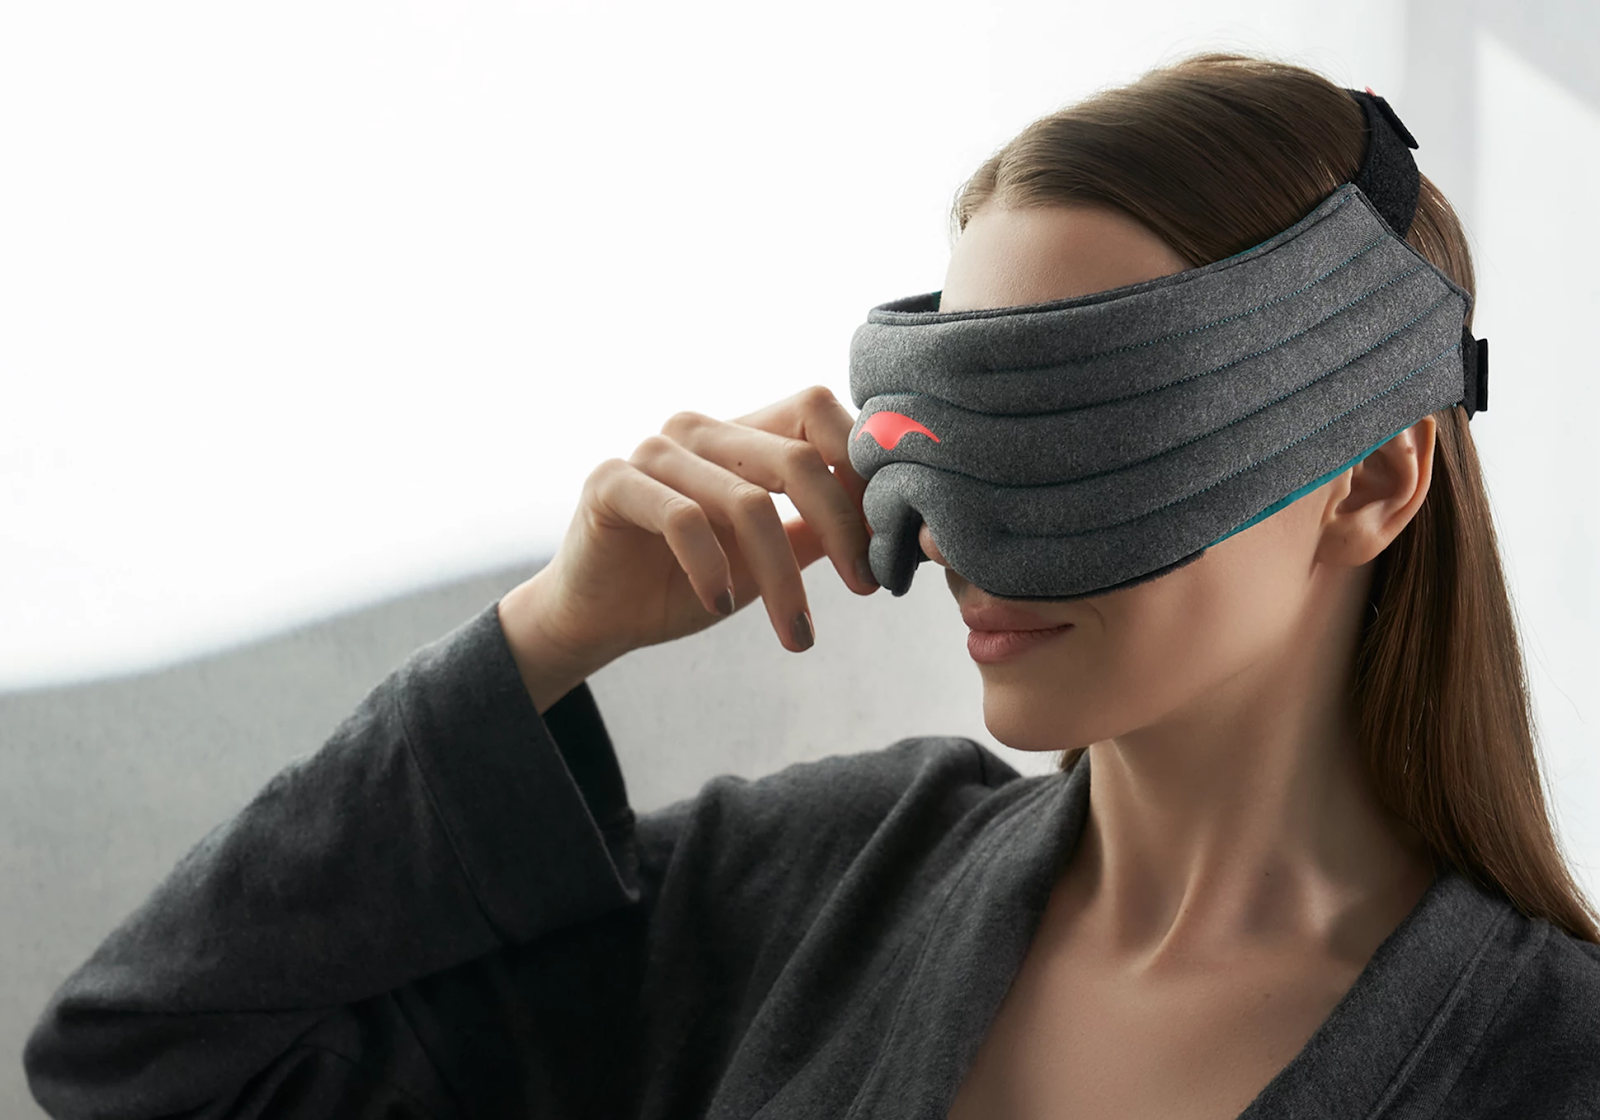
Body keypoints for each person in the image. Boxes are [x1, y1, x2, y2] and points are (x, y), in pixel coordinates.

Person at [23, 52, 1599, 1120]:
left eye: (1076, 431)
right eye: (947, 424)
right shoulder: (810, 893)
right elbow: (145, 1056)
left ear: (1379, 477)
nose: (963, 531)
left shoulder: (1554, 1062)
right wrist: (550, 635)